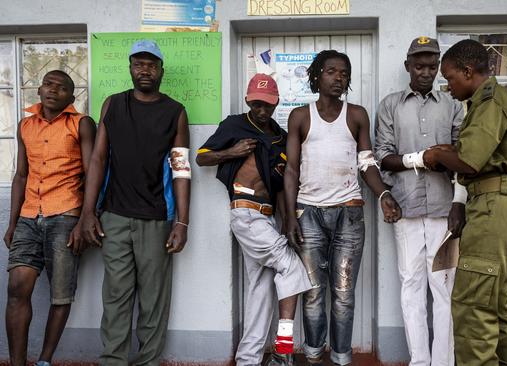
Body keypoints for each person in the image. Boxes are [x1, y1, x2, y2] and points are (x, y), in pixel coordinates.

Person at [77, 39, 191, 365]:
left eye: (151, 64)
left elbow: (181, 169)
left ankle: (148, 362)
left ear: (161, 71)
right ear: (130, 68)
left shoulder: (175, 112)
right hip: (113, 217)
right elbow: (98, 159)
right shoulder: (112, 105)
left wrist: (182, 221)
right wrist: (88, 212)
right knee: (115, 298)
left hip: (157, 218)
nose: (145, 70)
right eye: (139, 63)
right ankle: (112, 360)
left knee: (153, 302)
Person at [284, 50, 402, 366]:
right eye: (331, 71)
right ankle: (312, 354)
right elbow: (291, 169)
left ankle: (341, 357)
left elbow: (366, 164)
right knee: (312, 293)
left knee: (344, 294)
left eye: (344, 73)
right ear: (316, 76)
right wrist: (289, 217)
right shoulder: (300, 116)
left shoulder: (357, 115)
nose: (339, 78)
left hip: (349, 214)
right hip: (308, 214)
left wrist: (383, 195)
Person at [428, 39, 507, 365]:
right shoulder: (483, 102)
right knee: (497, 303)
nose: (447, 87)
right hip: (500, 201)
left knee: (473, 303)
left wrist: (435, 154)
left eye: (449, 78)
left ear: (468, 70)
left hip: (494, 204)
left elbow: (470, 160)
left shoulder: (489, 101)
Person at [196, 73, 313, 366]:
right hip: (245, 213)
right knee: (292, 268)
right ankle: (283, 349)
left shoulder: (279, 136)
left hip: (268, 217)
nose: (262, 111)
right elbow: (202, 157)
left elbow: (283, 184)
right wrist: (231, 152)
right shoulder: (234, 124)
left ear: (276, 104)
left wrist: (287, 222)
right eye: (257, 104)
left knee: (260, 289)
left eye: (268, 105)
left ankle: (248, 360)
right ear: (249, 100)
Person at [374, 36, 465, 366]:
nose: (426, 72)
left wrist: (459, 202)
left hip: (444, 212)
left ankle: (443, 362)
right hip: (406, 210)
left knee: (443, 288)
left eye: (432, 65)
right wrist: (421, 158)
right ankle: (419, 361)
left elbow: (463, 155)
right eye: (419, 65)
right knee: (411, 286)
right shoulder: (390, 105)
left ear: (439, 66)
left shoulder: (452, 105)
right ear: (407, 66)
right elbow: (383, 157)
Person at [3, 70, 95, 366]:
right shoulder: (25, 125)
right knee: (17, 288)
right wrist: (13, 222)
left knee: (60, 295)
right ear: (39, 89)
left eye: (62, 87)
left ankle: (44, 360)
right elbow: (20, 175)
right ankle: (17, 363)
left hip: (65, 214)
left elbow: (92, 172)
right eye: (48, 84)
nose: (53, 90)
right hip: (29, 215)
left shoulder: (81, 124)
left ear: (72, 96)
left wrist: (85, 219)